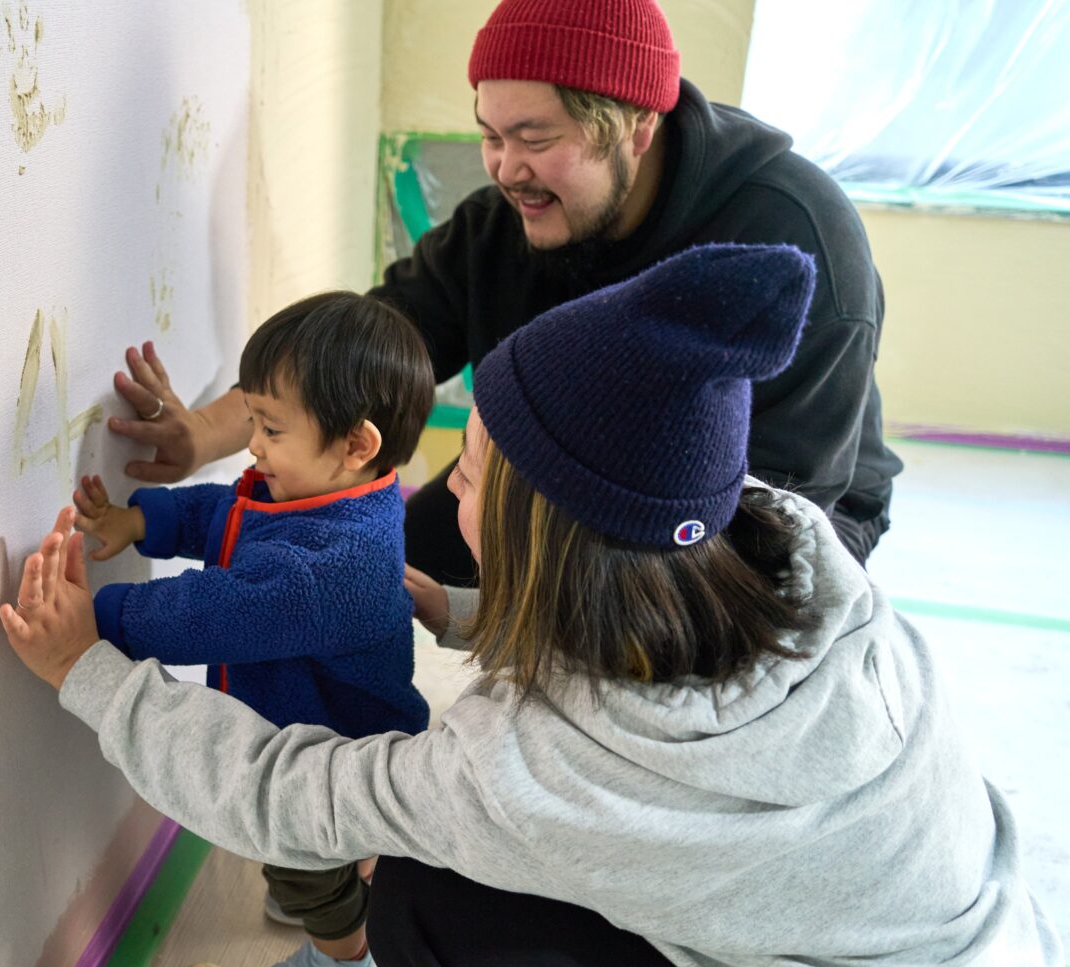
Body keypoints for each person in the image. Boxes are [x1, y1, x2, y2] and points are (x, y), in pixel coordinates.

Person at [1, 245, 1063, 967]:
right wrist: (462, 612)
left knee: (418, 900)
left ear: (542, 531)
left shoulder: (530, 772)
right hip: (983, 964)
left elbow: (294, 792)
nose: (441, 491)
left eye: (464, 477)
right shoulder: (773, 542)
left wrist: (89, 667)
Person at [104, 0, 903, 581]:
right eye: (490, 135)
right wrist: (200, 438)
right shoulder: (507, 223)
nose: (503, 168)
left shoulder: (796, 241)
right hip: (541, 486)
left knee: (603, 683)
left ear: (636, 128)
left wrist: (555, 617)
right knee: (358, 557)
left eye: (536, 139)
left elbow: (790, 510)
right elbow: (353, 354)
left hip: (758, 528)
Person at [67, 290, 434, 967]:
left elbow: (211, 615)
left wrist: (96, 621)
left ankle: (345, 961)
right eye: (254, 422)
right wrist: (141, 521)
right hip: (298, 724)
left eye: (271, 428)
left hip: (332, 758)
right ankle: (338, 887)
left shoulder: (336, 566)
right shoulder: (307, 491)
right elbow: (225, 515)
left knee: (307, 866)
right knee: (304, 862)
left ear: (356, 445)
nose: (253, 446)